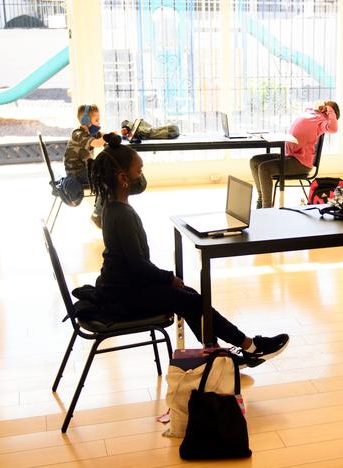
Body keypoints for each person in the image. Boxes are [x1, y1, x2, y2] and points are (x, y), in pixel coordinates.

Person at [90, 133, 289, 367]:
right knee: (191, 301)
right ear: (124, 178)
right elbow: (137, 264)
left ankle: (218, 353)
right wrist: (167, 278)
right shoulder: (121, 214)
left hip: (121, 287)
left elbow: (134, 265)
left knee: (192, 296)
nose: (141, 176)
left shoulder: (112, 208)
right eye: (139, 171)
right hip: (123, 297)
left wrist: (166, 280)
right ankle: (250, 347)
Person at [250, 100, 340, 208]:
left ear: (329, 112)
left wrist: (329, 110)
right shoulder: (311, 113)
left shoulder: (322, 121)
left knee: (264, 168)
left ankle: (266, 208)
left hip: (300, 163)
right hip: (289, 155)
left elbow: (333, 128)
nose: (323, 105)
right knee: (254, 161)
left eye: (326, 105)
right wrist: (318, 106)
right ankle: (261, 200)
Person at [62, 104, 106, 226]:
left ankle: (105, 210)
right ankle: (97, 214)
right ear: (86, 121)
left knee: (107, 174)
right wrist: (107, 138)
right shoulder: (78, 134)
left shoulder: (90, 132)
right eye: (96, 120)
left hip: (83, 170)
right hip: (76, 173)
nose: (98, 123)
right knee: (106, 180)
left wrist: (113, 134)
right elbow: (97, 143)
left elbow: (101, 135)